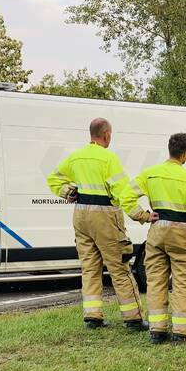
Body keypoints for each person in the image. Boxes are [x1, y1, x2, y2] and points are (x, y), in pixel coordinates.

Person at [47, 118, 149, 330]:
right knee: (119, 267)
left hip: (81, 215)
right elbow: (123, 193)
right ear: (107, 135)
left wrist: (68, 192)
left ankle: (92, 316)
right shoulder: (109, 158)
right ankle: (134, 319)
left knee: (90, 268)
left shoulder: (76, 157)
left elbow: (53, 179)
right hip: (105, 217)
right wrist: (142, 215)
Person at [131, 133, 186, 345]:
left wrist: (143, 215)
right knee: (182, 280)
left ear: (169, 150)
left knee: (155, 280)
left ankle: (157, 330)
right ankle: (182, 332)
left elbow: (126, 195)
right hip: (180, 231)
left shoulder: (150, 174)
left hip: (157, 229)